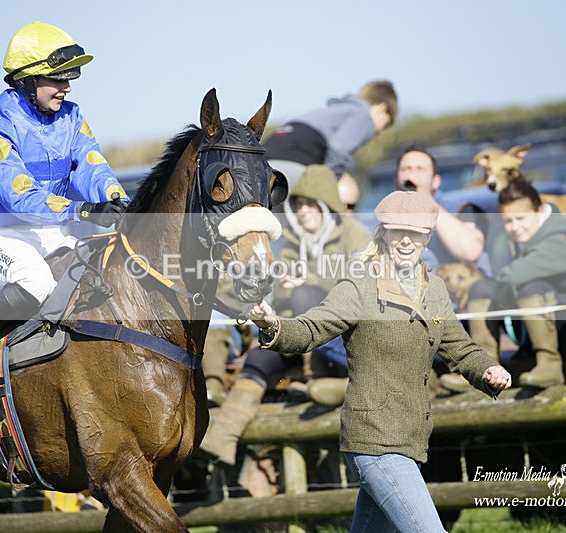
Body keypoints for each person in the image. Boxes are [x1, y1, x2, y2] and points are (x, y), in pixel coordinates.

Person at [246, 190, 511, 532]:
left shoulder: (434, 289)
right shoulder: (360, 284)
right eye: (397, 231)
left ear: (427, 237)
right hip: (374, 441)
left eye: (414, 233)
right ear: (384, 234)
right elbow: (311, 329)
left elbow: (460, 346)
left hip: (411, 439)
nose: (406, 240)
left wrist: (488, 368)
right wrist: (272, 325)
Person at [0, 22, 130, 402]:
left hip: (50, 234)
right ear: (27, 79)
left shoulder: (71, 117)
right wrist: (84, 211)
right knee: (37, 283)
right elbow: (20, 197)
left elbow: (91, 167)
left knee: (97, 274)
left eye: (70, 77)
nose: (67, 87)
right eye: (58, 78)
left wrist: (118, 201)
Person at [198, 164, 371, 465]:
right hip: (294, 330)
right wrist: (284, 287)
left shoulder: (354, 234)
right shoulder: (290, 239)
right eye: (299, 204)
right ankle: (222, 436)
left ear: (327, 205)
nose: (303, 211)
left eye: (311, 204)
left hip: (336, 337)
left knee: (305, 296)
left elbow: (361, 286)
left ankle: (318, 380)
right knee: (259, 358)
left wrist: (308, 282)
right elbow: (277, 296)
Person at [441, 178, 566, 392]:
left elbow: (512, 278)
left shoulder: (561, 242)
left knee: (530, 286)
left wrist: (504, 301)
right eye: (508, 221)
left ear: (539, 211)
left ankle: (550, 366)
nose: (515, 227)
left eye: (521, 218)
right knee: (480, 288)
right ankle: (482, 370)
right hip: (541, 330)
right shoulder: (523, 239)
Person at [263, 80, 398, 189]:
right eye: (384, 125)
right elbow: (339, 149)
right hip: (295, 159)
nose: (378, 132)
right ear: (381, 108)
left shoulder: (337, 110)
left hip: (269, 153)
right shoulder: (364, 115)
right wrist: (329, 183)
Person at [395, 146, 485, 268]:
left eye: (420, 169)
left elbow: (471, 252)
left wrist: (425, 200)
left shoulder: (460, 208)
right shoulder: (383, 216)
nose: (412, 174)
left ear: (435, 181)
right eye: (406, 169)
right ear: (396, 179)